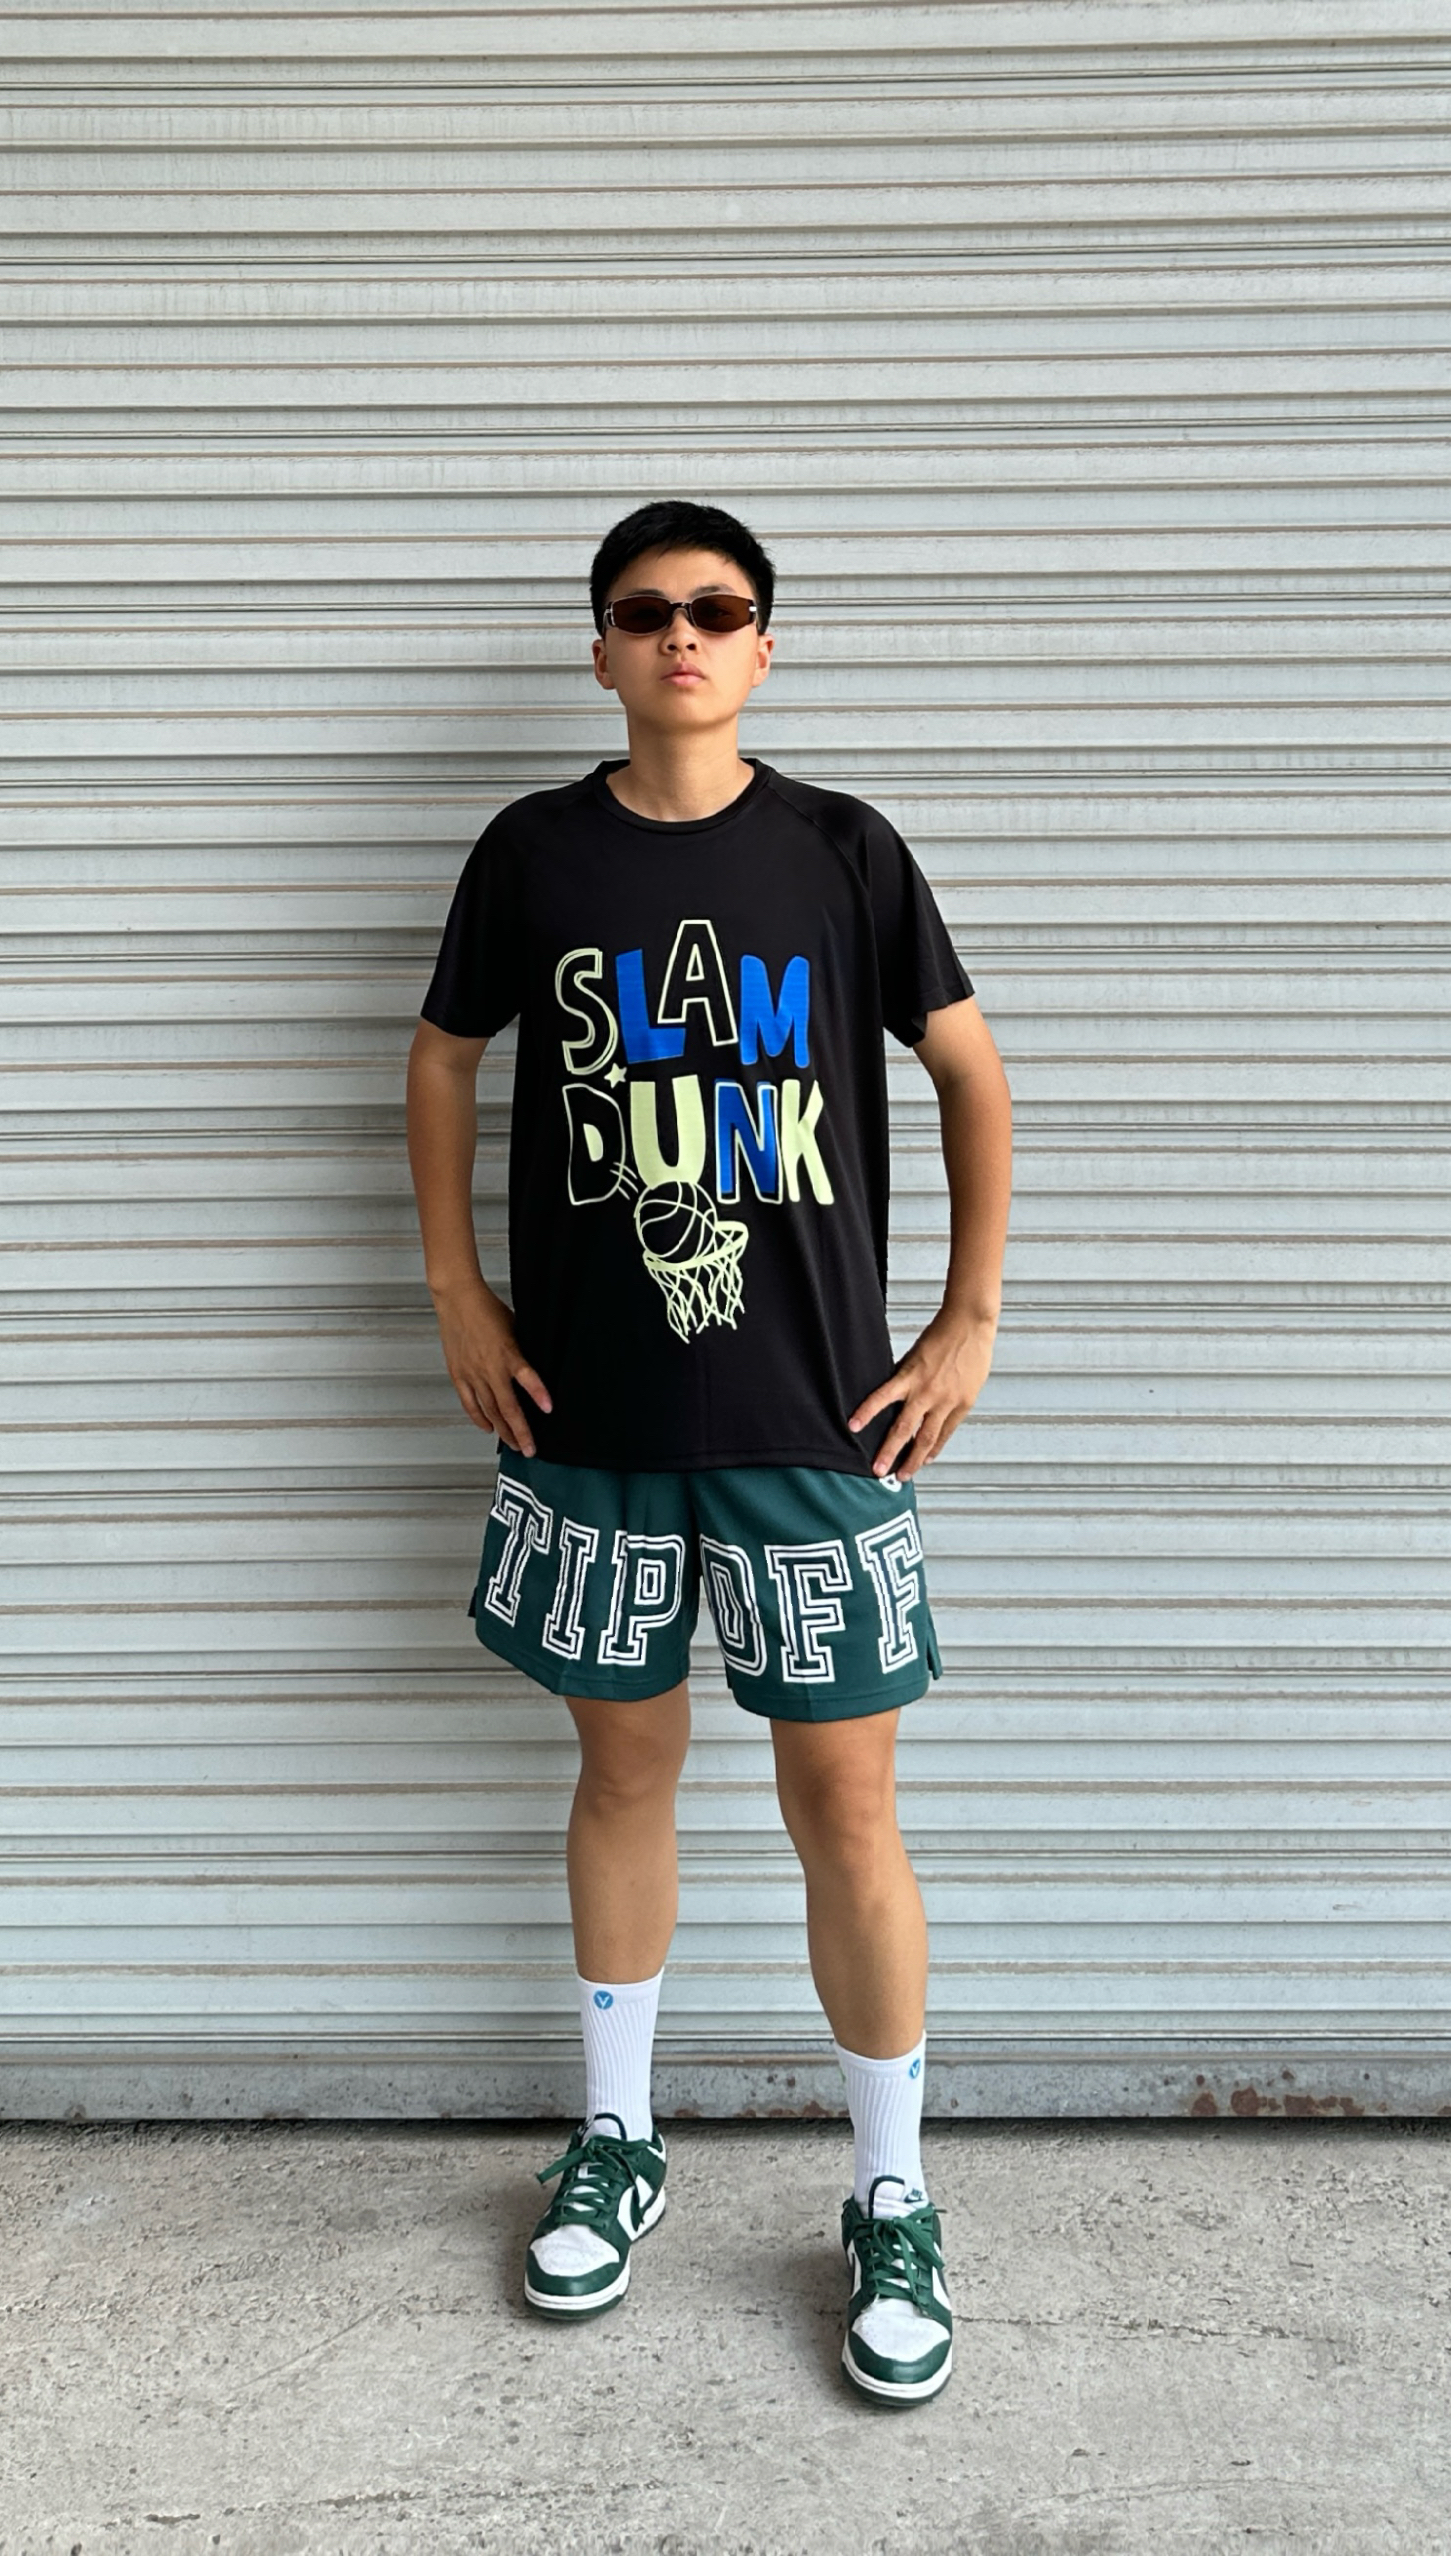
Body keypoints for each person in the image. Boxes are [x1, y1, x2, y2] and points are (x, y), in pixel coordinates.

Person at [405, 498, 1012, 2408]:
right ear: (597, 647)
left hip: (812, 1416)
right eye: (646, 608)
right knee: (621, 1776)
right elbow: (442, 1057)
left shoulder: (842, 851)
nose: (682, 633)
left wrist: (969, 1317)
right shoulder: (533, 851)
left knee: (847, 1805)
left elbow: (967, 1066)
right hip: (587, 1414)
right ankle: (616, 2139)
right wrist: (458, 1291)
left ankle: (891, 2193)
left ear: (763, 645)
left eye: (719, 608)